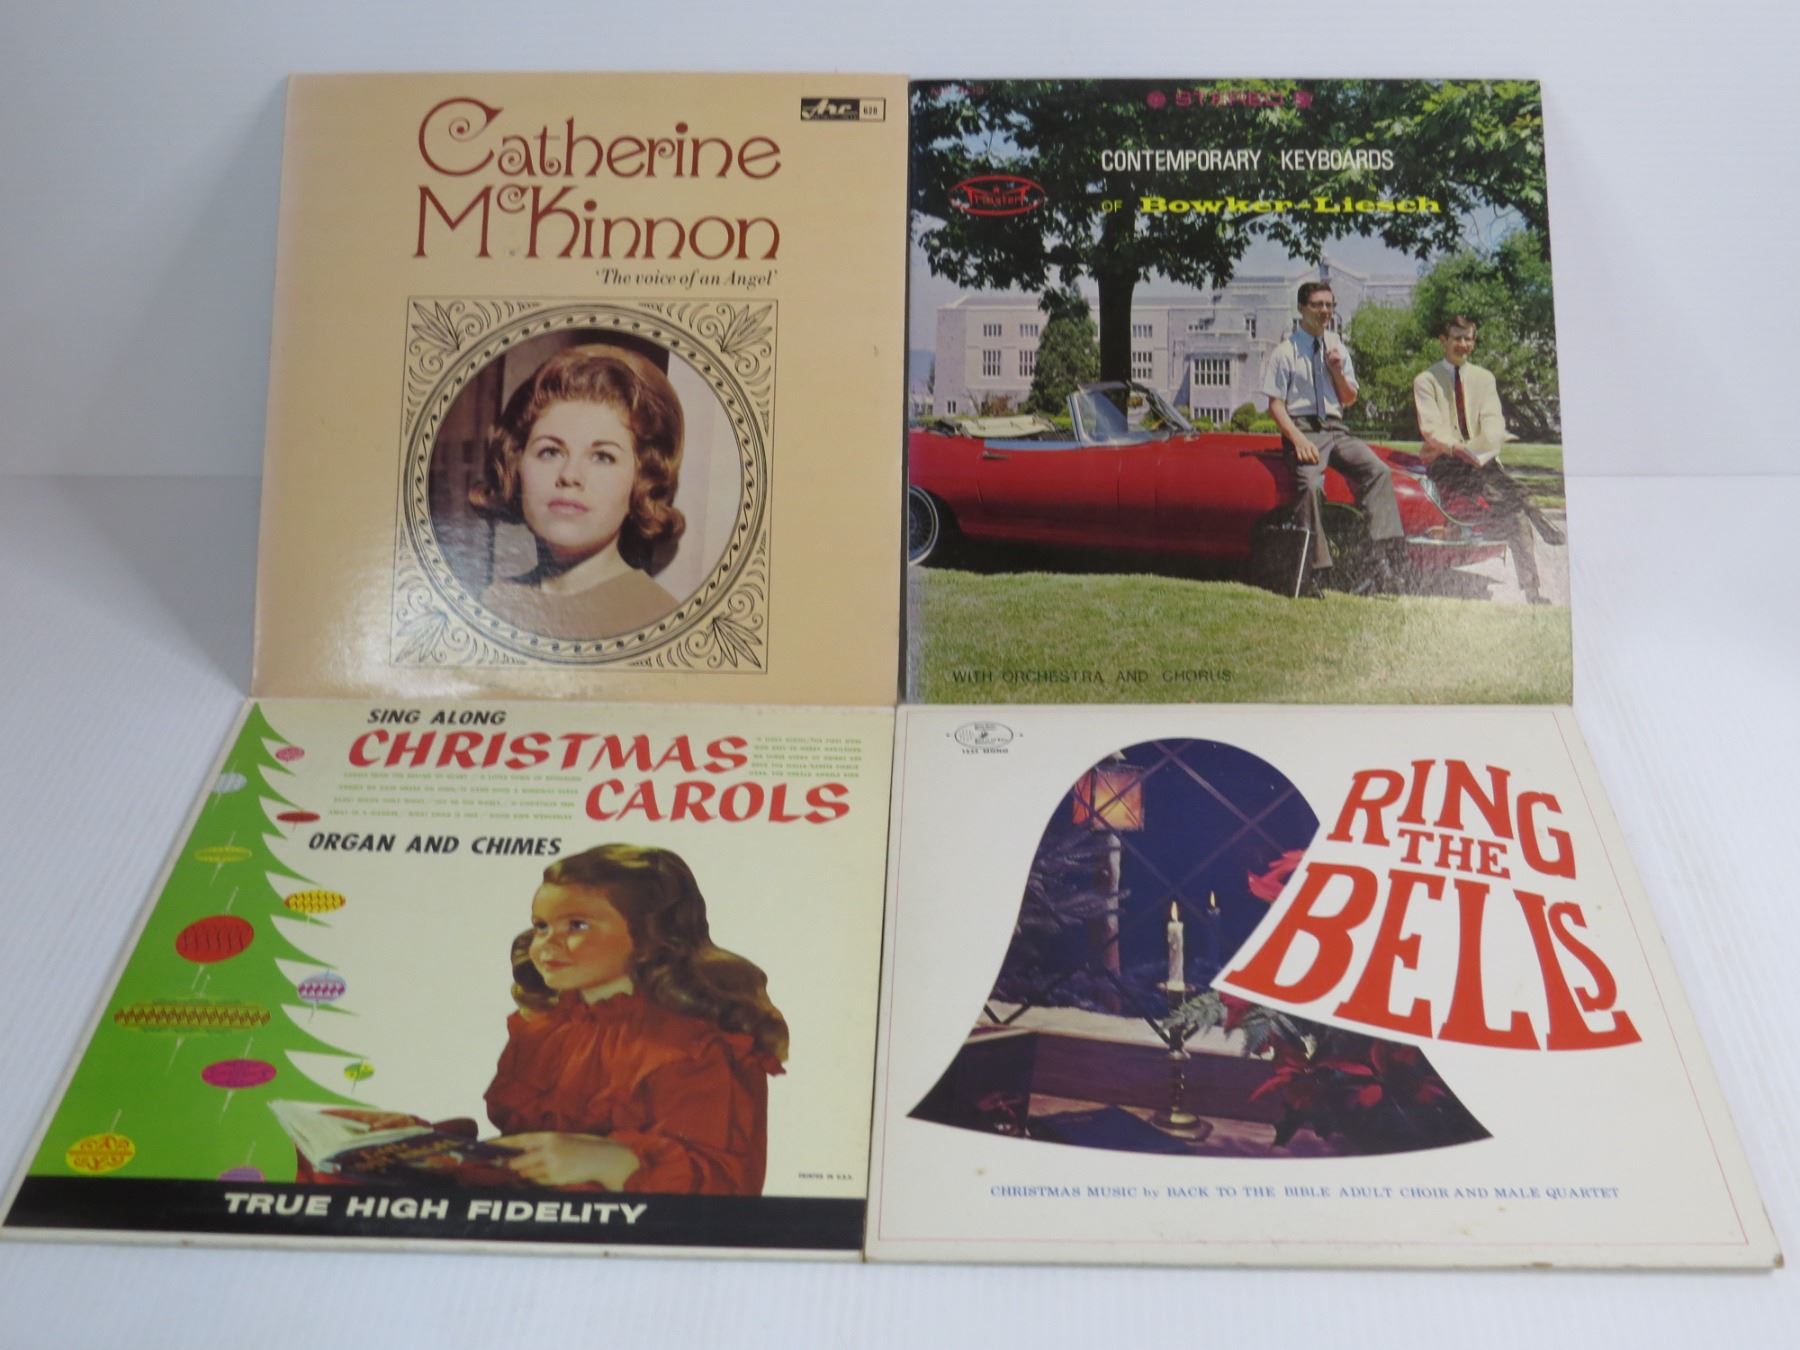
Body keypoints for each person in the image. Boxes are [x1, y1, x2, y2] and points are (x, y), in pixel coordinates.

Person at [485, 844, 787, 1195]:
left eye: (576, 925)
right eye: (541, 926)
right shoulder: (541, 1030)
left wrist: (611, 1162)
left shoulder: (692, 1048)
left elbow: (725, 1187)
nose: (547, 944)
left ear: (648, 937)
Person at [469, 343, 685, 639]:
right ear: (516, 465)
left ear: (641, 480)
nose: (569, 475)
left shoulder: (659, 622)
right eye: (550, 452)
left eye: (603, 457)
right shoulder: (496, 601)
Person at [1263, 281, 1408, 595]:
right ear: (1301, 308)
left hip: (1336, 428)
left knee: (1379, 471)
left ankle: (1380, 561)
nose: (1325, 311)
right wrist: (1299, 441)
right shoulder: (1285, 352)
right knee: (1310, 485)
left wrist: (1337, 370)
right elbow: (1275, 406)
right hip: (1304, 428)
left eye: (1329, 305)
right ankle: (1313, 571)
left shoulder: (1337, 349)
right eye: (1317, 305)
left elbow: (1349, 398)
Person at [1411, 315, 1564, 605]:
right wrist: (1459, 449)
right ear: (1443, 341)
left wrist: (1485, 445)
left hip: (1480, 461)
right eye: (1457, 338)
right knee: (1509, 494)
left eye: (1468, 338)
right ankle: (1538, 515)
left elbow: (1493, 421)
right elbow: (1431, 428)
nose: (1463, 344)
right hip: (1445, 460)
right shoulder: (1426, 381)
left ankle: (1532, 592)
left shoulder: (1484, 379)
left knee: (1514, 515)